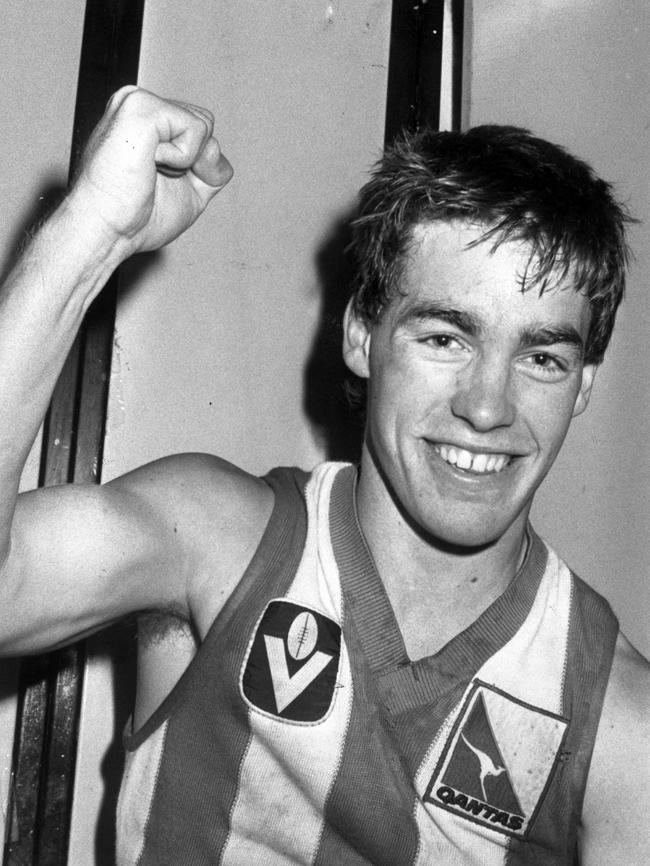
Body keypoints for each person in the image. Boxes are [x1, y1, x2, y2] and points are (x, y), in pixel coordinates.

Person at [0, 86, 648, 865]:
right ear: (360, 335)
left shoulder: (617, 725)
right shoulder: (220, 542)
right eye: (445, 337)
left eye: (542, 357)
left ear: (582, 387)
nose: (487, 407)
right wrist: (90, 233)